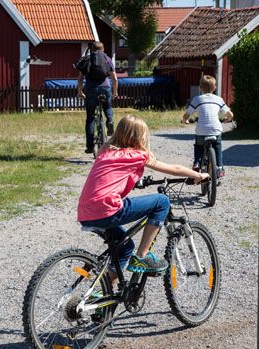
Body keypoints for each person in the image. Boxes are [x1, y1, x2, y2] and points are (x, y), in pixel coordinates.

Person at [78, 115, 209, 279]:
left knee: (125, 247)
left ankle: (104, 296)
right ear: (139, 138)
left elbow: (110, 177)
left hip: (85, 213)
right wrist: (198, 175)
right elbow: (173, 168)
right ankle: (142, 256)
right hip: (107, 209)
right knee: (161, 202)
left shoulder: (105, 151)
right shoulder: (136, 155)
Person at [182, 75, 234, 178]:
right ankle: (219, 167)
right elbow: (230, 115)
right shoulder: (219, 99)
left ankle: (197, 163)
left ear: (200, 88)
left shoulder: (197, 99)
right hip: (215, 130)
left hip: (201, 131)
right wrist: (227, 120)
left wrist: (185, 121)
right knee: (217, 147)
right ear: (214, 88)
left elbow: (187, 115)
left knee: (198, 146)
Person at [77, 42, 118, 154]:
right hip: (105, 87)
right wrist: (114, 92)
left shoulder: (87, 60)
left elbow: (80, 79)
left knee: (90, 118)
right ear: (103, 49)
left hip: (91, 89)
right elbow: (114, 78)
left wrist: (80, 92)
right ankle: (109, 121)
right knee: (108, 106)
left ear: (91, 49)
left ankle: (90, 146)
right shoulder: (107, 59)